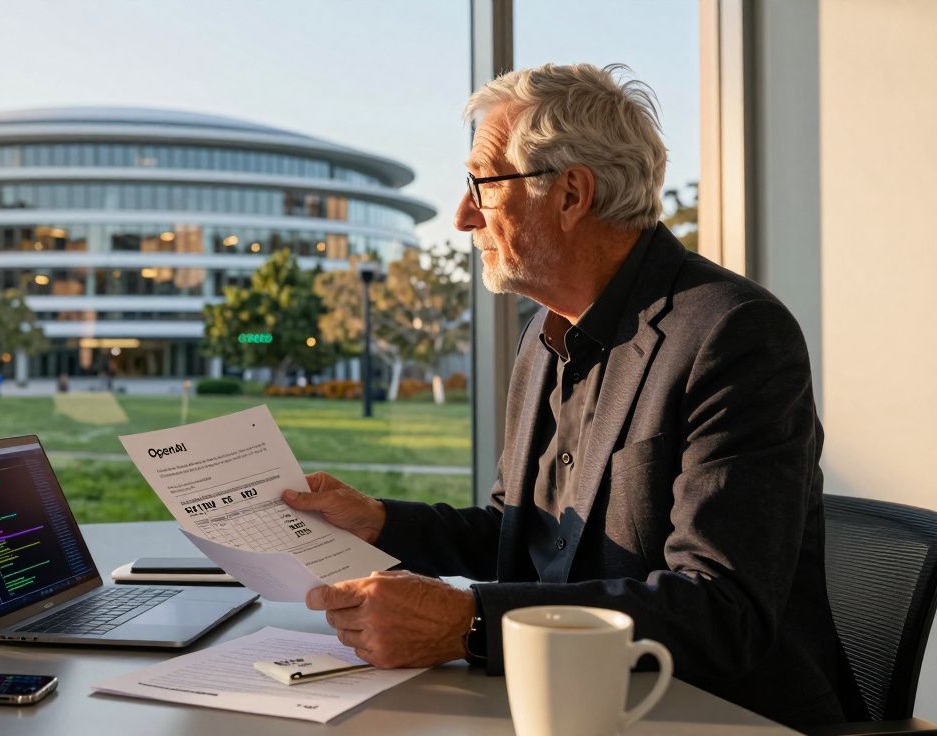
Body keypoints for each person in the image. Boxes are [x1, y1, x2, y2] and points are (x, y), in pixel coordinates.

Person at [283, 63, 861, 730]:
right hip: (562, 705)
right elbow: (520, 533)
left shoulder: (733, 335)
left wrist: (471, 623)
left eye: (481, 183)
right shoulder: (544, 334)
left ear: (570, 194)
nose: (463, 214)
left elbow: (719, 611)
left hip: (710, 717)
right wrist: (380, 522)